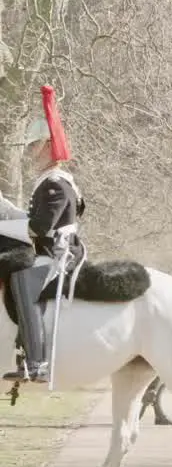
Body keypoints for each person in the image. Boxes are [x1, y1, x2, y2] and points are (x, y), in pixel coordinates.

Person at [4, 86, 85, 384]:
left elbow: (39, 228)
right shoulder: (48, 182)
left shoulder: (55, 183)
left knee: (22, 277)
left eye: (34, 145)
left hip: (57, 254)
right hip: (49, 249)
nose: (29, 152)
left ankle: (38, 361)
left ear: (48, 146)